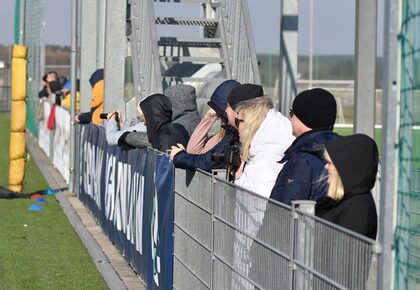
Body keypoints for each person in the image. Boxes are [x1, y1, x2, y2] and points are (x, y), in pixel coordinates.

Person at [169, 83, 263, 173]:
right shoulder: (232, 133)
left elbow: (205, 160)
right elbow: (198, 154)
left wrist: (180, 156)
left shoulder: (237, 136)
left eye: (228, 106)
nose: (226, 110)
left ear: (237, 110)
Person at [270, 88, 340, 205]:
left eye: (292, 113)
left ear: (305, 119)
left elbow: (281, 211)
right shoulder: (342, 152)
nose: (289, 118)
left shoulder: (303, 161)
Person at [316, 134, 378, 239]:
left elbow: (348, 252)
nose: (326, 167)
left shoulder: (357, 209)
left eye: (330, 163)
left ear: (346, 169)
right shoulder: (344, 200)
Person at [234, 97, 294, 197]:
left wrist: (238, 179)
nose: (237, 126)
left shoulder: (265, 161)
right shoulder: (264, 151)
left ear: (250, 123)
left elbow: (261, 205)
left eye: (238, 121)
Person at [186, 79, 240, 154]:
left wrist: (209, 118)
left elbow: (193, 152)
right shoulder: (225, 133)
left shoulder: (235, 135)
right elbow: (193, 152)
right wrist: (209, 118)